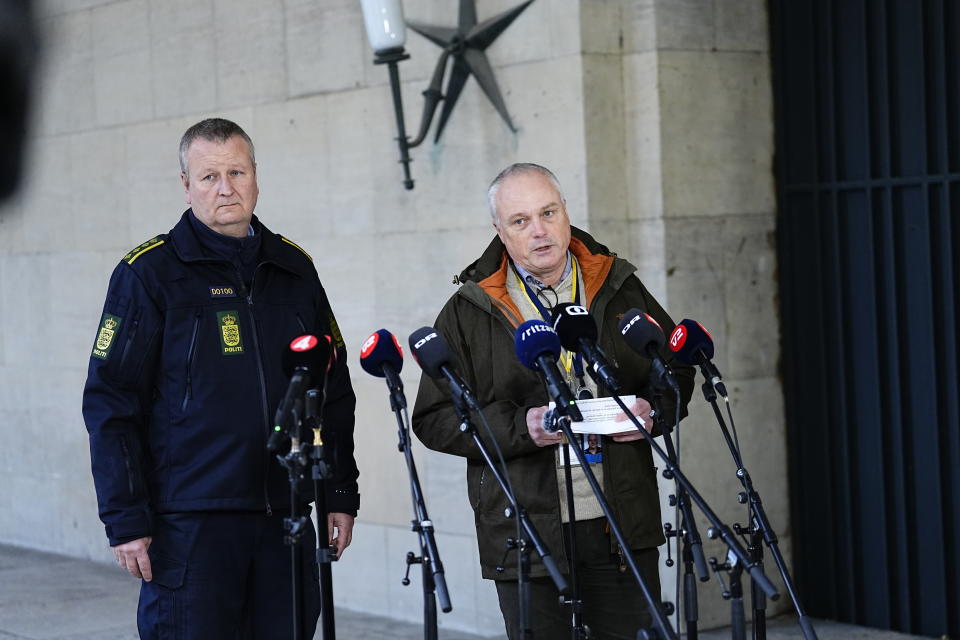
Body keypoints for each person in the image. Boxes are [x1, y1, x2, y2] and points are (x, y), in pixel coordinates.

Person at [82, 118, 359, 638]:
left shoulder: (296, 269)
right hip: (190, 525)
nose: (225, 188)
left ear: (257, 177)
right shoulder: (148, 273)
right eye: (208, 176)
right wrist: (126, 519)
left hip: (289, 518)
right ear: (185, 186)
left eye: (237, 171)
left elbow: (332, 390)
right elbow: (110, 402)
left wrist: (339, 492)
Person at [412, 163, 694, 639]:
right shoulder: (469, 309)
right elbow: (435, 418)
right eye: (520, 221)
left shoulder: (617, 285)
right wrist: (526, 427)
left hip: (620, 524)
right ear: (499, 231)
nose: (539, 231)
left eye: (548, 212)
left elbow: (676, 367)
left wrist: (654, 410)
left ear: (566, 213)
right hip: (526, 534)